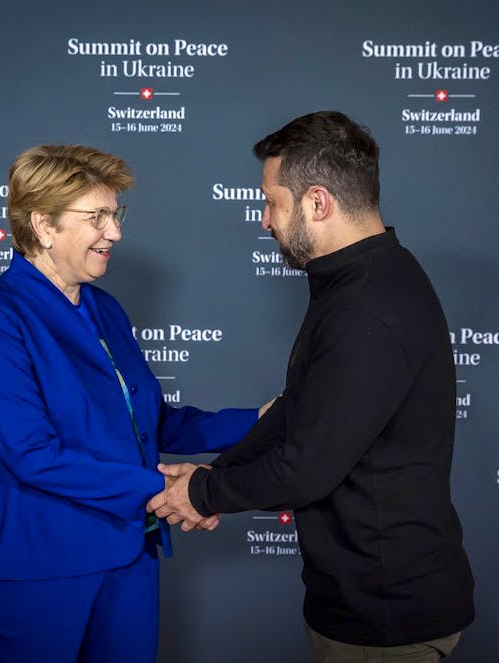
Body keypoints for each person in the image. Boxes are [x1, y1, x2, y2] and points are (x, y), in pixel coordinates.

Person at [148, 112, 475, 662]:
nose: (263, 220)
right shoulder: (356, 282)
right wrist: (215, 475)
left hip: (385, 618)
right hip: (360, 603)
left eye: (272, 201)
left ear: (317, 203)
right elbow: (299, 410)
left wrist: (202, 494)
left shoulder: (367, 307)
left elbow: (308, 467)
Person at [0, 144, 265, 663]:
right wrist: (166, 488)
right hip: (41, 564)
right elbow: (33, 454)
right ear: (44, 225)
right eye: (96, 217)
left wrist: (258, 422)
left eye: (115, 214)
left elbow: (148, 425)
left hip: (129, 553)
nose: (114, 232)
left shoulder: (105, 308)